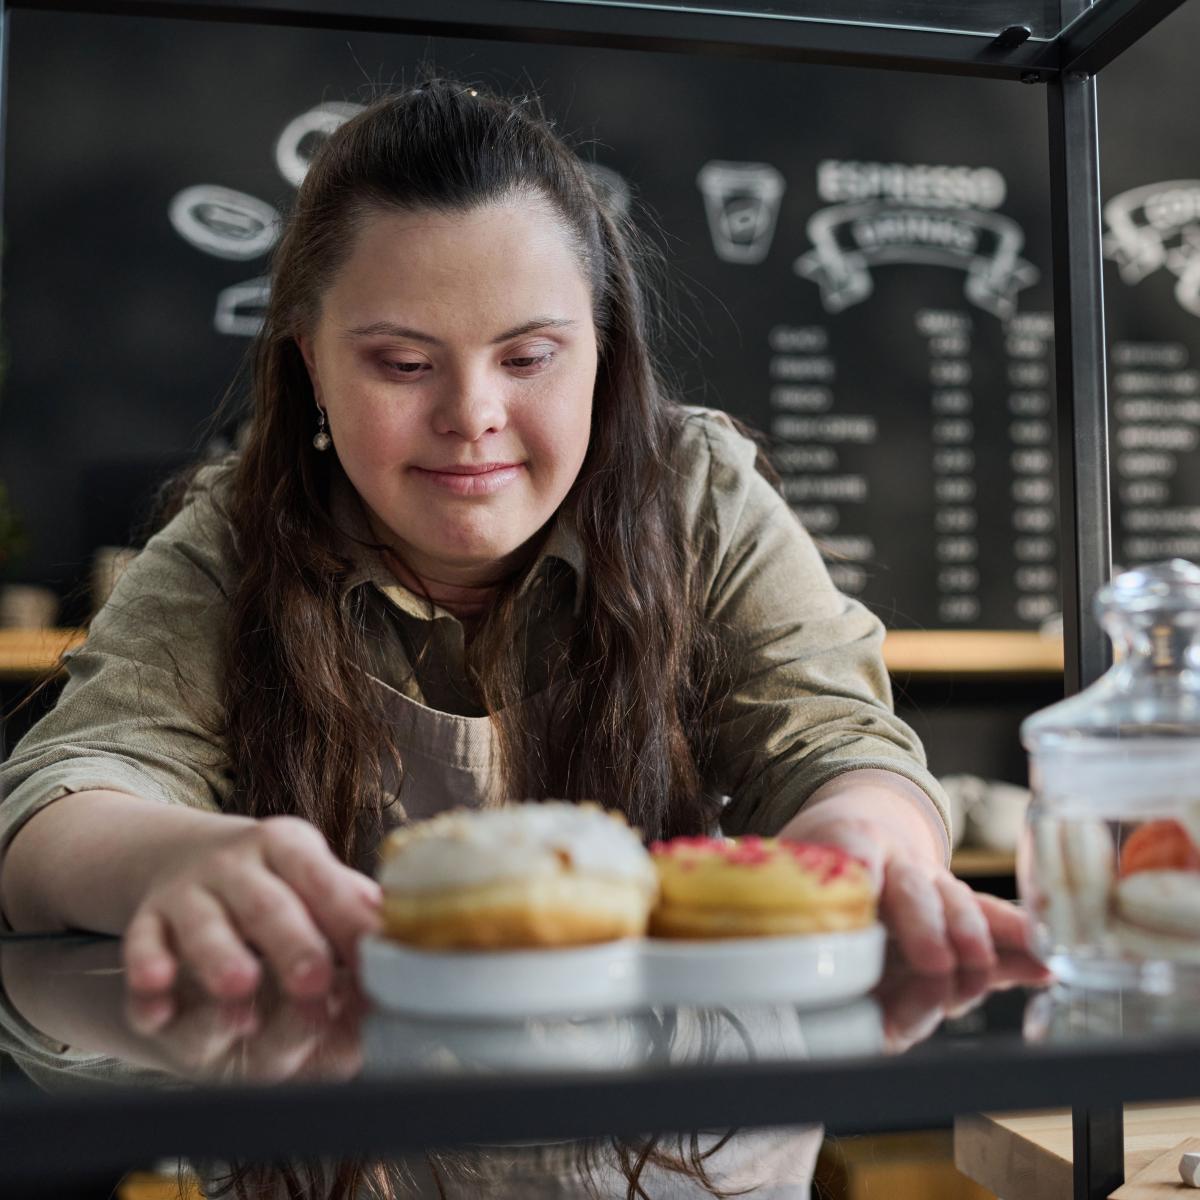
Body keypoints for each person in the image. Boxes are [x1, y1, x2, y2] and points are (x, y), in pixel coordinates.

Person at [0, 79, 1028, 1001]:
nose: (472, 413)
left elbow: (834, 743)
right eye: (403, 364)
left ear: (603, 350)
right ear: (311, 361)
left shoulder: (697, 495)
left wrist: (865, 838)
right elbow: (65, 796)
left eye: (528, 356)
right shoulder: (236, 534)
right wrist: (171, 859)